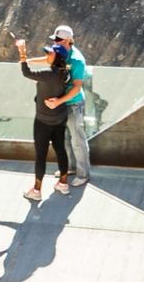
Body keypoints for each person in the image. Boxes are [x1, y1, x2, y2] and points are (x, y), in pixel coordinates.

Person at [15, 35, 75, 200]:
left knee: (40, 155)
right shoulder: (65, 71)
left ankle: (36, 191)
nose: (47, 55)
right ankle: (63, 184)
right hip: (60, 117)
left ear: (56, 57)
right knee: (60, 149)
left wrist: (22, 52)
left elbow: (26, 72)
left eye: (50, 53)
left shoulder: (48, 74)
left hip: (43, 120)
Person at [53, 24, 92, 186]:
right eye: (55, 39)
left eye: (59, 40)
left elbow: (77, 87)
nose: (56, 42)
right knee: (65, 138)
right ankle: (70, 167)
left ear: (68, 41)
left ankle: (83, 175)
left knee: (77, 139)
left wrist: (59, 101)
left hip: (73, 104)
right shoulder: (59, 53)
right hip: (61, 102)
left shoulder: (76, 60)